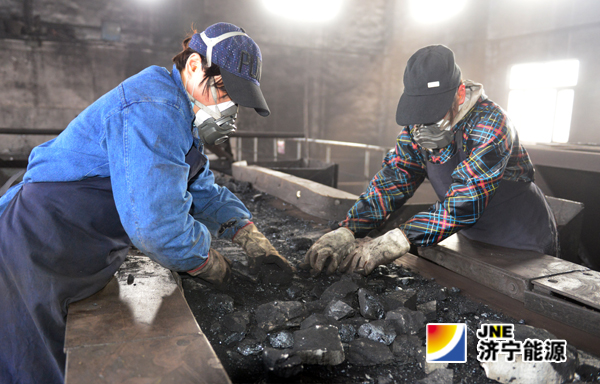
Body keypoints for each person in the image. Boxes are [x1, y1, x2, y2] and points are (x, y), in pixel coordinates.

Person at [0, 22, 293, 384]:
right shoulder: (153, 108)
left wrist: (248, 234)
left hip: (77, 244)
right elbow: (156, 227)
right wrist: (212, 265)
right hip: (38, 244)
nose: (228, 107)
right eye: (223, 90)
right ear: (194, 66)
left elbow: (201, 189)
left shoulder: (181, 116)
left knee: (62, 354)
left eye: (237, 99)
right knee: (31, 361)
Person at [304, 44, 559, 276]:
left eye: (434, 113)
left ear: (460, 94)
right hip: (470, 236)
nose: (424, 127)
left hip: (520, 239)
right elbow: (394, 179)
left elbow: (466, 201)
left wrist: (401, 237)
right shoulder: (416, 129)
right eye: (420, 113)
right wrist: (349, 229)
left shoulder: (490, 123)